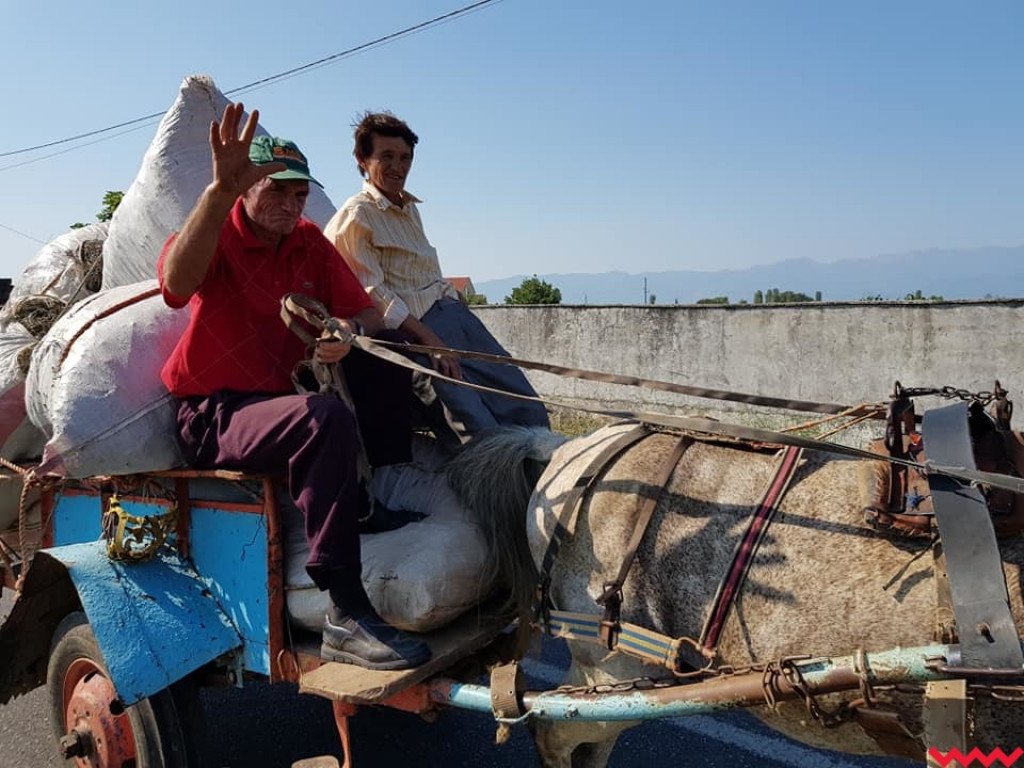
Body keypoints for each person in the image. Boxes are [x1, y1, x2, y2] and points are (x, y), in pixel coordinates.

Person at [158, 102, 430, 670]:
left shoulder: (308, 241)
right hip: (216, 411)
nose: (289, 205)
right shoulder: (218, 231)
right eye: (274, 191)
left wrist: (344, 331)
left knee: (390, 356)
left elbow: (368, 315)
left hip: (277, 400)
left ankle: (361, 504)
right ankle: (345, 610)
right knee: (321, 417)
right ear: (244, 189)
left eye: (299, 194)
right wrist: (216, 193)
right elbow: (176, 288)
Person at [324, 111, 550, 441]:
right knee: (476, 426)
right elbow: (374, 294)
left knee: (523, 405)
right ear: (362, 159)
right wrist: (431, 341)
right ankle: (494, 490)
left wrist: (458, 307)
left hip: (454, 319)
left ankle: (541, 482)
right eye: (386, 157)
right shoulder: (357, 215)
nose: (398, 167)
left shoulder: (409, 208)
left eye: (405, 158)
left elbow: (424, 272)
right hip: (414, 335)